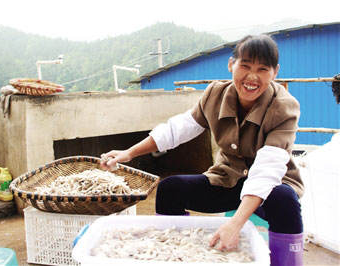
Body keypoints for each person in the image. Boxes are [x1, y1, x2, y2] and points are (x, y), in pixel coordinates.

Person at [101, 35, 304, 266]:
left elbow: (268, 168)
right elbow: (178, 129)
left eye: (262, 69)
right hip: (227, 181)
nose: (252, 77)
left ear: (275, 72)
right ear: (231, 64)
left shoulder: (285, 107)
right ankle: (173, 256)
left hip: (269, 188)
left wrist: (235, 225)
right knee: (170, 189)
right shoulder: (215, 95)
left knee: (284, 199)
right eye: (245, 66)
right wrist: (129, 153)